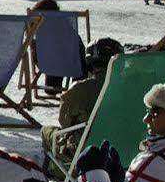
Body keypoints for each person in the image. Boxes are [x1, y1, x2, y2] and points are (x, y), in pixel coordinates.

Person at [43, 38, 124, 172]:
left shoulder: (81, 89)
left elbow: (65, 123)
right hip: (120, 153)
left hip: (87, 154)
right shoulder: (130, 87)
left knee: (47, 132)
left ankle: (55, 169)